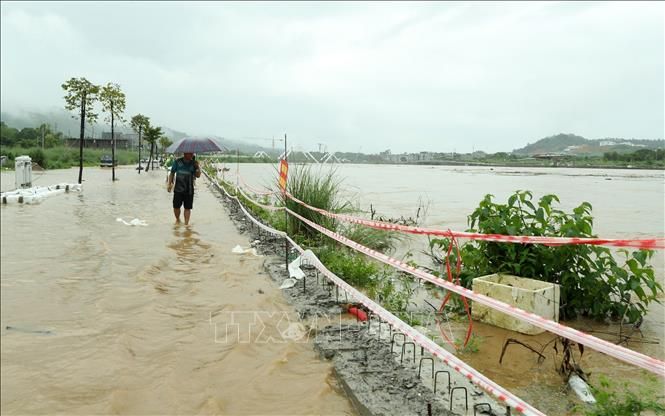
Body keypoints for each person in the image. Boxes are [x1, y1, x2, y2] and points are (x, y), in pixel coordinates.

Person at [167, 152, 201, 225]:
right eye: (190, 153)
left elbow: (198, 175)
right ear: (185, 153)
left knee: (187, 208)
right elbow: (172, 173)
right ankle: (178, 219)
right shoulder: (177, 162)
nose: (192, 155)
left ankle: (186, 224)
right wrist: (169, 184)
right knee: (176, 207)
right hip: (178, 189)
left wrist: (197, 167)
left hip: (189, 190)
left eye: (192, 153)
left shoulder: (193, 164)